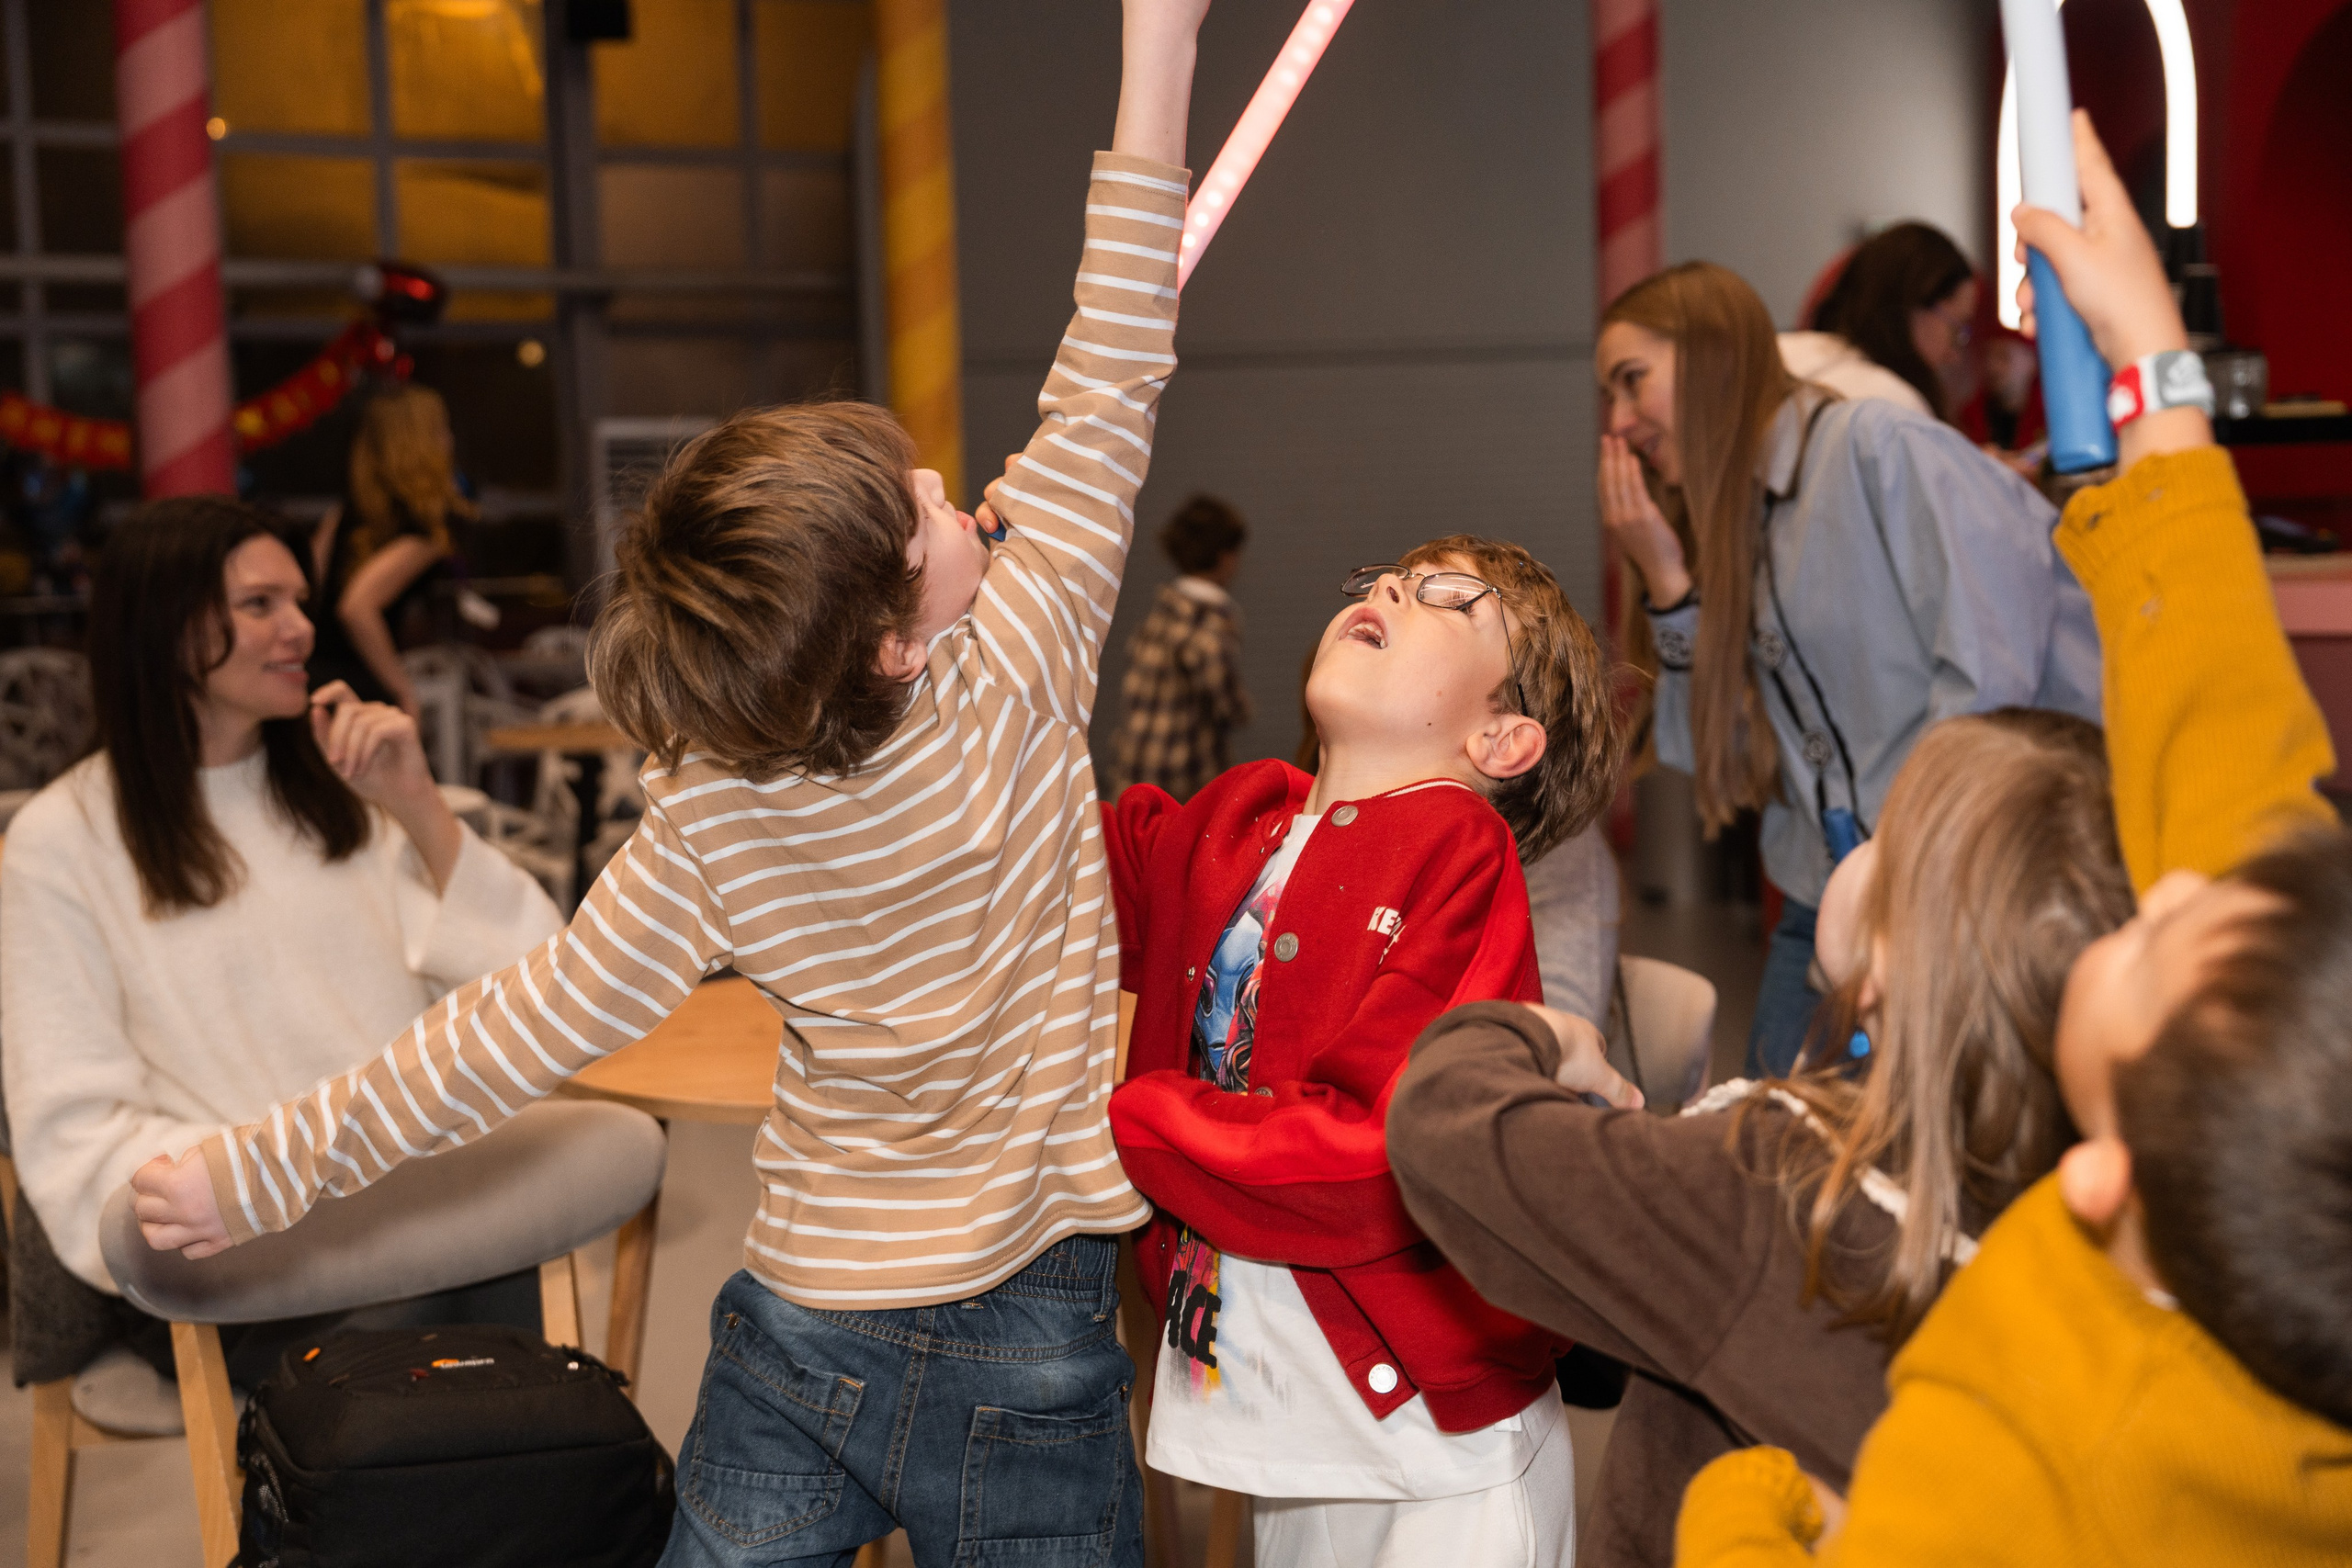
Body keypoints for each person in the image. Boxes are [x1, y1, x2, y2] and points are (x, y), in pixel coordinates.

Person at [127, 6, 1208, 1561]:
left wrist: (261, 1170)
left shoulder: (712, 797)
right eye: (917, 511)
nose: (936, 484)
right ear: (898, 648)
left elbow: (511, 1031)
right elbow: (1114, 358)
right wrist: (1157, 49)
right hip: (1023, 1333)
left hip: (799, 1331)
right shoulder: (1028, 650)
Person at [1671, 110, 2352, 1567]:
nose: (2166, 875)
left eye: (2154, 934)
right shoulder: (2260, 1107)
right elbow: (2229, 725)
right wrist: (2161, 370)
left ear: (2105, 1174)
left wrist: (1760, 1506)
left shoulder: (2026, 1437)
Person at [1385, 696, 2131, 1568]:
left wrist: (1530, 1031)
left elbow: (1444, 1125)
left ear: (1893, 962)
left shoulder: (1772, 1191)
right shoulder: (2097, 1248)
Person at [1105, 536, 1633, 1568]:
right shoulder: (1233, 819)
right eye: (1388, 577)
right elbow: (1040, 855)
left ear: (1502, 739)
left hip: (1438, 1457)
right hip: (1288, 1440)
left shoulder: (1457, 851)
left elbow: (1381, 1142)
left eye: (1451, 600)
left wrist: (1130, 1123)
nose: (1391, 586)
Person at [0, 495, 561, 1382]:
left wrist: (418, 806)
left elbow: (534, 994)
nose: (301, 627)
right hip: (225, 1241)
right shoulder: (58, 842)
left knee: (501, 1244)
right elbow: (76, 1127)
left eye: (298, 600)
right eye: (260, 604)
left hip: (386, 1202)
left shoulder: (338, 797)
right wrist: (264, 1190)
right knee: (450, 1302)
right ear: (165, 624)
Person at [1598, 256, 2101, 1077]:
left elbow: (1993, 674)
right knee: (1772, 1159)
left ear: (1713, 353)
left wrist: (1909, 862)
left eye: (1632, 380)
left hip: (1961, 887)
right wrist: (1666, 580)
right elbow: (1702, 757)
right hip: (1826, 900)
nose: (1618, 423)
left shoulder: (1877, 446)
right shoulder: (1730, 518)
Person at [307, 384, 474, 715]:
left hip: (314, 678)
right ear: (419, 444)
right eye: (441, 430)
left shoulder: (345, 513)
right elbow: (356, 608)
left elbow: (306, 585)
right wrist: (402, 690)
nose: (449, 441)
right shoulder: (424, 526)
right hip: (358, 688)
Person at [1109, 493, 1251, 800]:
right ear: (1226, 556)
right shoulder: (1206, 623)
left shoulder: (1159, 614)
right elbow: (1228, 704)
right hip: (1181, 782)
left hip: (1132, 775)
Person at [1780, 223, 1978, 422]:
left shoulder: (1784, 355)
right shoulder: (1896, 407)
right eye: (1956, 329)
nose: (1954, 355)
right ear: (1912, 304)